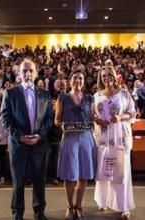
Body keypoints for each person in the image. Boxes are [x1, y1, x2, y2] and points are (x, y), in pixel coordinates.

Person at [1, 59, 53, 220]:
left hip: (39, 145)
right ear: (19, 73)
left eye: (31, 71)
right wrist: (20, 136)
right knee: (18, 181)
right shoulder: (10, 93)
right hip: (18, 145)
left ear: (36, 73)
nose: (28, 74)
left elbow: (49, 120)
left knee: (39, 181)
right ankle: (17, 213)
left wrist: (40, 135)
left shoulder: (45, 94)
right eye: (24, 71)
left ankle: (39, 212)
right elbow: (5, 119)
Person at [93, 64, 136, 219]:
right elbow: (93, 115)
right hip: (104, 138)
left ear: (114, 76)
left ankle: (124, 206)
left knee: (121, 172)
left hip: (120, 138)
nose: (106, 78)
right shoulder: (97, 96)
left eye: (109, 75)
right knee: (104, 170)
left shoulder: (123, 93)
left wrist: (119, 117)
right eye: (103, 76)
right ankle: (102, 201)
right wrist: (97, 120)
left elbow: (132, 113)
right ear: (100, 78)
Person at [55, 70, 96, 220]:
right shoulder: (62, 98)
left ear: (83, 81)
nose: (78, 80)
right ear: (70, 80)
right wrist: (62, 125)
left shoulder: (90, 98)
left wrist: (98, 118)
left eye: (80, 78)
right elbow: (57, 120)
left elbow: (93, 117)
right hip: (70, 138)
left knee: (83, 174)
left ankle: (79, 206)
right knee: (70, 175)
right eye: (75, 78)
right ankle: (69, 206)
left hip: (86, 138)